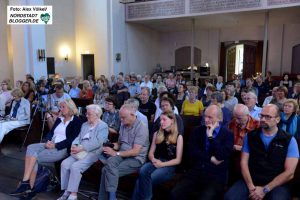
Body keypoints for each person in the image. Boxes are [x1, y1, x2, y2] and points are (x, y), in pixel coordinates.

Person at [10, 99, 82, 198]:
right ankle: (26, 184)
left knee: (33, 158)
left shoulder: (76, 121)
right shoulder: (60, 118)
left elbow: (71, 140)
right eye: (60, 107)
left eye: (63, 107)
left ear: (70, 108)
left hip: (62, 148)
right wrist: (48, 141)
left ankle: (27, 185)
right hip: (51, 144)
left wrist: (55, 145)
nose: (60, 109)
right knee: (31, 148)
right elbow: (51, 132)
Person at [224, 104, 299, 200]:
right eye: (261, 115)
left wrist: (265, 189)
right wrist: (251, 186)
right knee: (230, 197)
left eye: (268, 117)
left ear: (277, 119)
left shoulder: (289, 140)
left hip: (277, 183)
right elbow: (243, 163)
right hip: (251, 180)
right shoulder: (250, 136)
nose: (263, 119)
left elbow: (289, 173)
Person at [170, 105, 234, 200]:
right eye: (205, 116)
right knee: (174, 194)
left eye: (210, 117)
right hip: (197, 171)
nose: (206, 120)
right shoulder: (197, 130)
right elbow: (191, 152)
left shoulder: (228, 134)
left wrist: (211, 137)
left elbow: (221, 155)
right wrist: (210, 158)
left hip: (216, 176)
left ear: (219, 118)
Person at [98, 104, 149, 200]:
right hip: (122, 154)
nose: (121, 120)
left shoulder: (142, 127)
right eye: (120, 117)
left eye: (123, 117)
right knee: (109, 163)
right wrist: (110, 146)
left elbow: (135, 151)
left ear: (132, 115)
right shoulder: (123, 124)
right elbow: (119, 144)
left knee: (106, 170)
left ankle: (110, 198)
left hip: (136, 158)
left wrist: (115, 153)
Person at [58, 104, 108, 200]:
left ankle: (73, 194)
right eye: (86, 113)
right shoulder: (85, 124)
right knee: (64, 164)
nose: (86, 115)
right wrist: (74, 145)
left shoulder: (103, 126)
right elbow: (78, 137)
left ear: (97, 115)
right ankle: (66, 191)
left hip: (93, 152)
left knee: (75, 166)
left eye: (89, 114)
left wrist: (82, 148)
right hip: (79, 151)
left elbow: (98, 143)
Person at [132, 111, 183, 200]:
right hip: (156, 161)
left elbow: (178, 160)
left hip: (169, 165)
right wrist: (154, 159)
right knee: (141, 172)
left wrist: (162, 164)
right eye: (160, 120)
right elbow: (151, 153)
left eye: (164, 120)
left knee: (148, 179)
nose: (161, 122)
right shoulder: (157, 134)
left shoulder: (178, 137)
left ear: (172, 120)